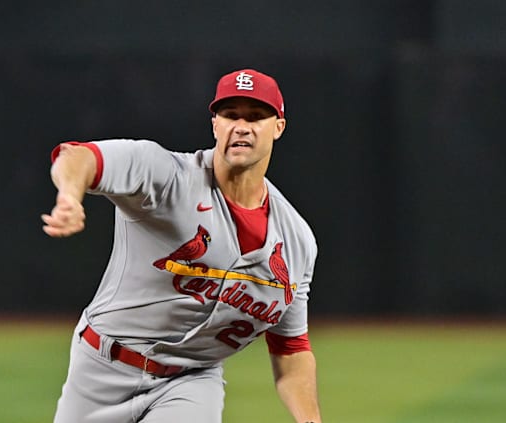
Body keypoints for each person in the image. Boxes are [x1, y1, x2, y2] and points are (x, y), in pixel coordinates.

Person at [42, 68, 321, 423]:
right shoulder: (165, 176)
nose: (241, 126)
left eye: (256, 116)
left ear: (278, 126)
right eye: (230, 114)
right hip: (102, 368)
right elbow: (78, 157)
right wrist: (69, 194)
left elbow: (291, 348)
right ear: (215, 124)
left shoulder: (296, 241)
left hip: (191, 381)